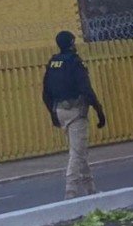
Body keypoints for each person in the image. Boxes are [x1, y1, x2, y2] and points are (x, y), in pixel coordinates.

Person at [42, 31, 106, 199]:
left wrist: (53, 114)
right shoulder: (74, 63)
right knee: (77, 153)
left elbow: (45, 92)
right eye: (74, 42)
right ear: (71, 43)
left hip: (60, 111)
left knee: (79, 150)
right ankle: (70, 193)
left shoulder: (53, 63)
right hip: (76, 112)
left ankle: (91, 189)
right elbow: (86, 89)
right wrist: (99, 111)